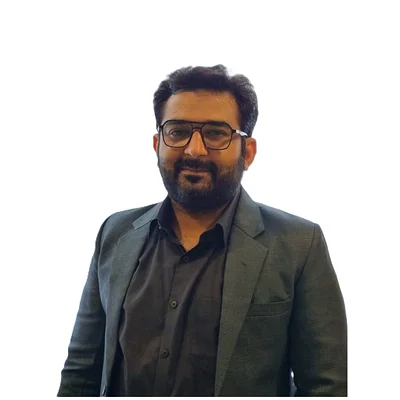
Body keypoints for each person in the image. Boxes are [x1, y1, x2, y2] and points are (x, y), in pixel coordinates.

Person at [57, 65, 347, 397]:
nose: (194, 150)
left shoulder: (298, 244)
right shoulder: (116, 233)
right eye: (178, 131)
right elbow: (81, 371)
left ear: (247, 151)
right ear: (157, 144)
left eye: (215, 133)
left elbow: (325, 386)